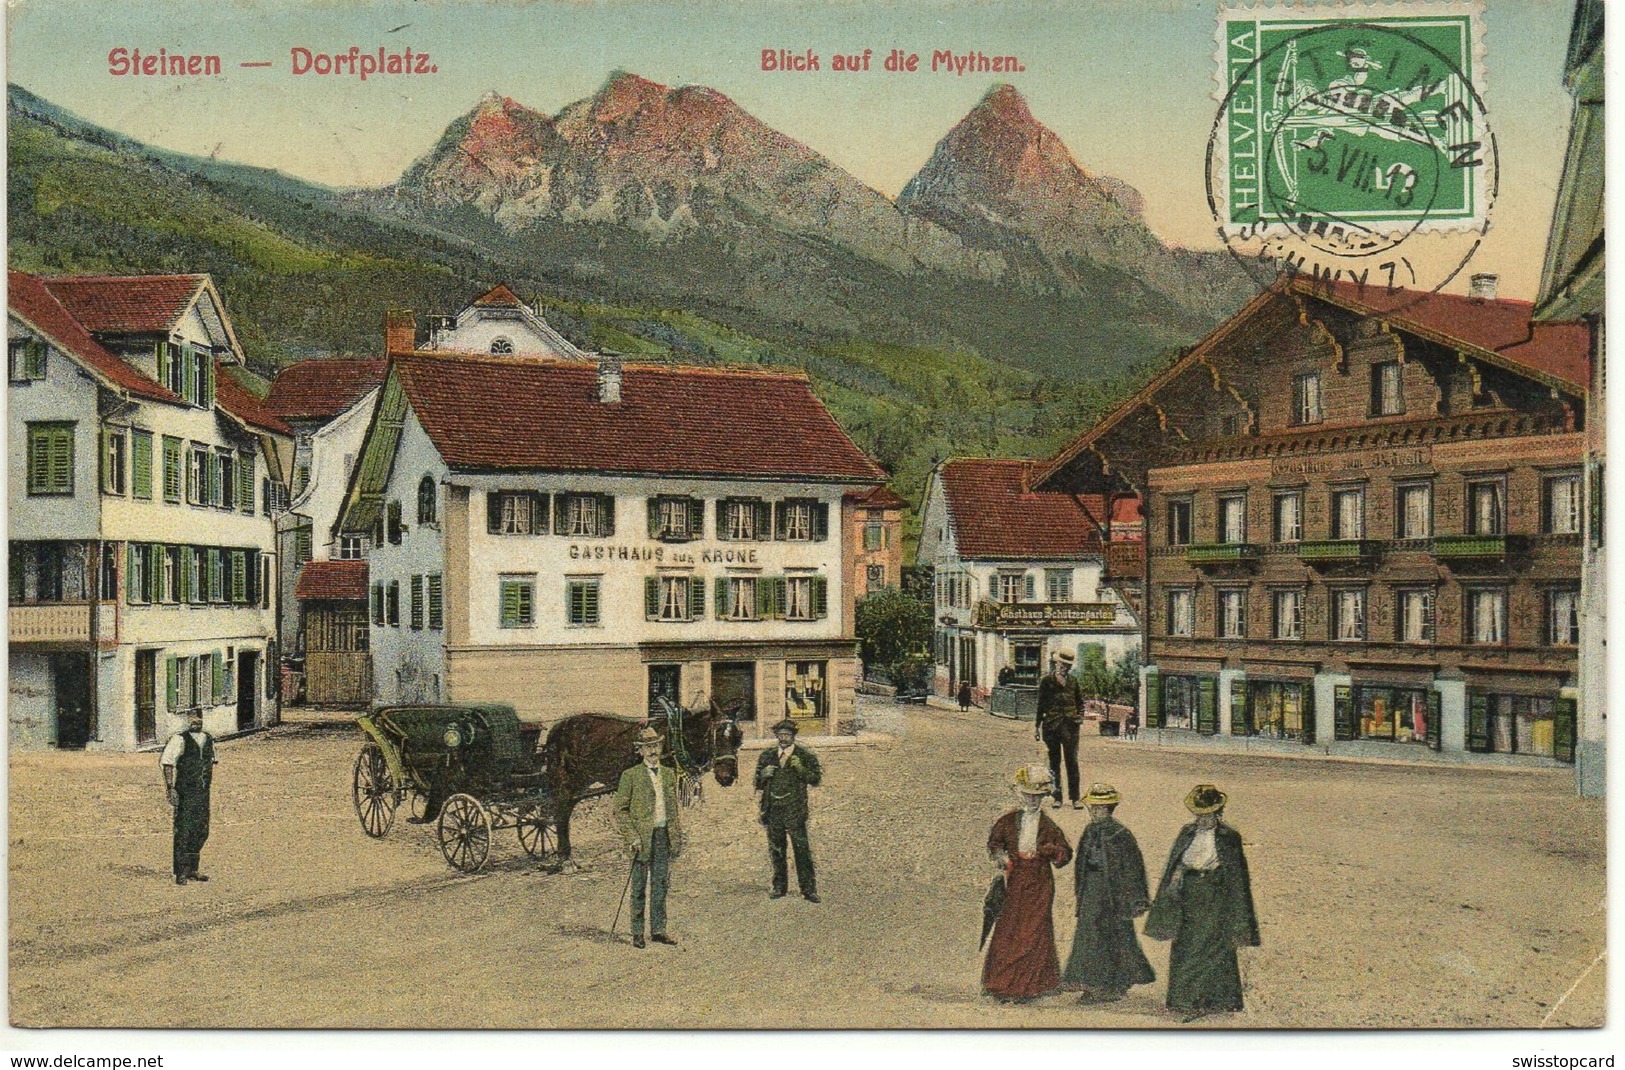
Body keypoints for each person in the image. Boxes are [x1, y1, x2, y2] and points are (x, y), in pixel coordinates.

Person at [1144, 784, 1261, 1022]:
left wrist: (1237, 912)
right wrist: (1176, 877)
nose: (1202, 820)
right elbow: (1178, 862)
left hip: (1215, 898)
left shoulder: (1229, 837)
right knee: (1185, 946)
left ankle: (1204, 1002)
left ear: (1218, 814)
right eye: (1199, 814)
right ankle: (1184, 999)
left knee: (1209, 948)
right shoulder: (1187, 832)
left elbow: (1237, 875)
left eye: (1207, 815)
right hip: (1189, 896)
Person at [982, 764, 1073, 1003]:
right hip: (1015, 880)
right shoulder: (1009, 820)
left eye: (1037, 796)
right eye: (1028, 794)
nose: (1033, 800)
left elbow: (1064, 855)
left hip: (1039, 883)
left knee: (1034, 931)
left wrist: (1049, 851)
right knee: (1009, 929)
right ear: (1021, 794)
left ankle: (1031, 986)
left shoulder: (1048, 825)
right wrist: (1001, 857)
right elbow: (995, 842)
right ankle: (1002, 984)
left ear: (1043, 797)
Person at [1062, 783, 1155, 1002]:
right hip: (1092, 889)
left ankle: (1110, 985)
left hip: (1114, 894)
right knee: (1089, 935)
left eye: (1099, 809)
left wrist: (1134, 899)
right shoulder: (1089, 830)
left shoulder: (1120, 833)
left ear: (1109, 810)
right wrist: (1081, 891)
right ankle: (1092, 983)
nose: (1094, 813)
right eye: (1092, 808)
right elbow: (1081, 863)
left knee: (1115, 936)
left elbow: (1134, 868)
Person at [613, 724, 684, 949]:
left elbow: (673, 809)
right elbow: (620, 810)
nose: (653, 751)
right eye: (647, 747)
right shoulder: (630, 776)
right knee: (639, 887)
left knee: (661, 884)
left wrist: (677, 836)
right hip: (642, 839)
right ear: (640, 751)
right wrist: (631, 836)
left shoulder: (670, 774)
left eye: (655, 746)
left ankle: (658, 930)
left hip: (663, 835)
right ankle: (637, 932)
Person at [756, 718, 822, 901]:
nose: (783, 739)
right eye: (780, 735)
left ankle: (808, 889)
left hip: (795, 809)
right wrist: (763, 775)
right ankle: (779, 887)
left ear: (793, 736)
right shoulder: (767, 756)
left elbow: (815, 779)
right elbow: (757, 783)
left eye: (787, 735)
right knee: (777, 850)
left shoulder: (804, 756)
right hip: (773, 810)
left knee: (801, 850)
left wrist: (801, 769)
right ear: (776, 736)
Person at [160, 710, 217, 886]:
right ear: (187, 721)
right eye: (192, 720)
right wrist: (170, 788)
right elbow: (168, 763)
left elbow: (211, 762)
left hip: (203, 792)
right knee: (183, 830)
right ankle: (181, 871)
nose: (196, 723)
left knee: (201, 830)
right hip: (185, 791)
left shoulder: (208, 739)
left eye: (199, 719)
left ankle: (193, 868)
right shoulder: (179, 739)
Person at [1036, 650, 1085, 808]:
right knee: (1054, 763)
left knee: (1072, 762)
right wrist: (1036, 726)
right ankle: (1057, 798)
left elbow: (1080, 702)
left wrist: (1080, 716)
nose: (1065, 668)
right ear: (1056, 663)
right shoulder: (1046, 681)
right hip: (1052, 726)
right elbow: (1040, 705)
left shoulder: (1073, 681)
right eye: (1062, 664)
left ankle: (1075, 798)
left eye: (1068, 666)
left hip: (1070, 728)